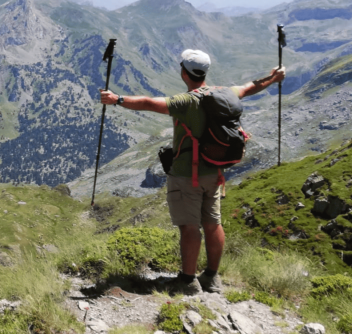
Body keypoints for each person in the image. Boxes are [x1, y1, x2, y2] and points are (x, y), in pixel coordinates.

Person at [99, 49, 286, 295]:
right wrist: (273, 78)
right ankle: (211, 277)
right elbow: (248, 87)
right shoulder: (225, 93)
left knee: (189, 227)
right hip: (216, 174)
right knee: (213, 223)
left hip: (187, 175)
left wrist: (117, 99)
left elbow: (149, 103)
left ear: (183, 72)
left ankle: (187, 281)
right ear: (204, 72)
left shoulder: (187, 102)